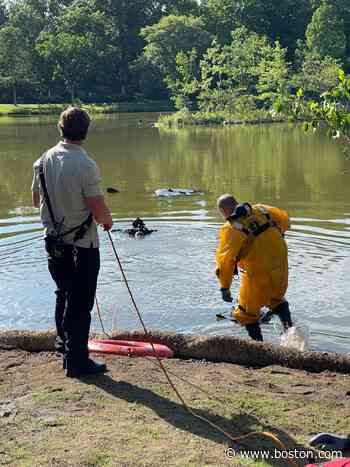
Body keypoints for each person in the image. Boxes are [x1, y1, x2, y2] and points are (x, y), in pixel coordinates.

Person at [31, 106, 113, 377]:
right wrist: (107, 221)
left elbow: (35, 202)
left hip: (52, 243)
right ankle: (77, 362)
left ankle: (64, 345)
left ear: (60, 128)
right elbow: (99, 211)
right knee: (80, 303)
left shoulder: (42, 160)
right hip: (82, 247)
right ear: (85, 132)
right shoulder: (86, 165)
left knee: (63, 292)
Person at [215, 194, 293, 341]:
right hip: (280, 262)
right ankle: (291, 334)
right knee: (276, 299)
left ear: (222, 211)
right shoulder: (261, 209)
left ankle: (260, 349)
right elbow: (285, 220)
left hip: (258, 270)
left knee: (246, 313)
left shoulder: (231, 228)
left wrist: (224, 287)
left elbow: (225, 261)